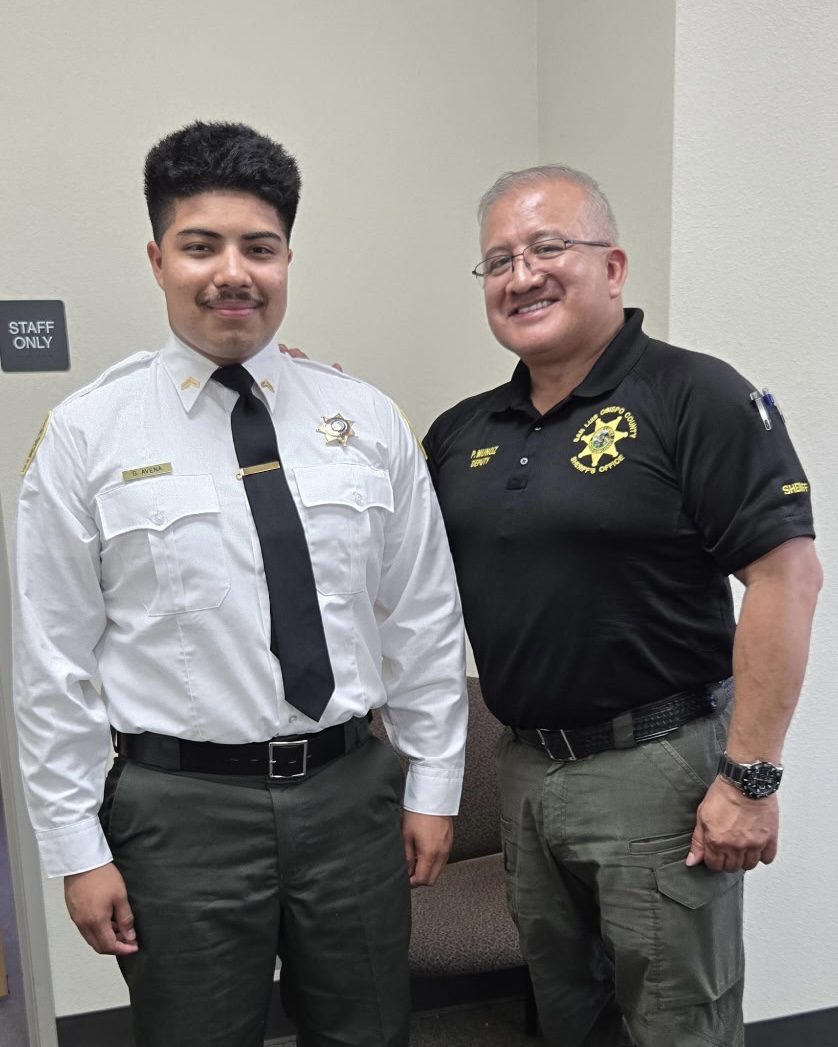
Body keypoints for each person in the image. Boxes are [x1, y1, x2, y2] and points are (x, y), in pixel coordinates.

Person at [12, 120, 467, 1047]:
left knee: (370, 1030)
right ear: (157, 258)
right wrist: (75, 847)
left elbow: (420, 615)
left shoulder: (366, 419)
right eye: (200, 245)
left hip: (350, 793)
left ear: (287, 257)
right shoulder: (87, 436)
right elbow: (49, 660)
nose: (233, 272)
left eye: (259, 247)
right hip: (179, 813)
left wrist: (435, 783)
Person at [421, 166, 822, 1047]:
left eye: (548, 246)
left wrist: (750, 779)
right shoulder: (462, 434)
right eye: (498, 259)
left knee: (679, 1019)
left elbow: (787, 577)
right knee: (568, 1013)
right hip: (525, 765)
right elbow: (385, 544)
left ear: (614, 265)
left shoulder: (696, 395)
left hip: (661, 768)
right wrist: (298, 396)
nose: (522, 273)